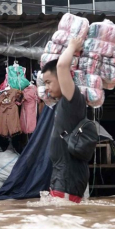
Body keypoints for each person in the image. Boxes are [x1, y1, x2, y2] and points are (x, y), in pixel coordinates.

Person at [41, 36, 88, 203]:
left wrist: (73, 46)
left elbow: (61, 66)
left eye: (48, 82)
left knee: (64, 220)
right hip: (62, 174)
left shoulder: (72, 99)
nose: (46, 87)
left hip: (69, 177)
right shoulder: (62, 103)